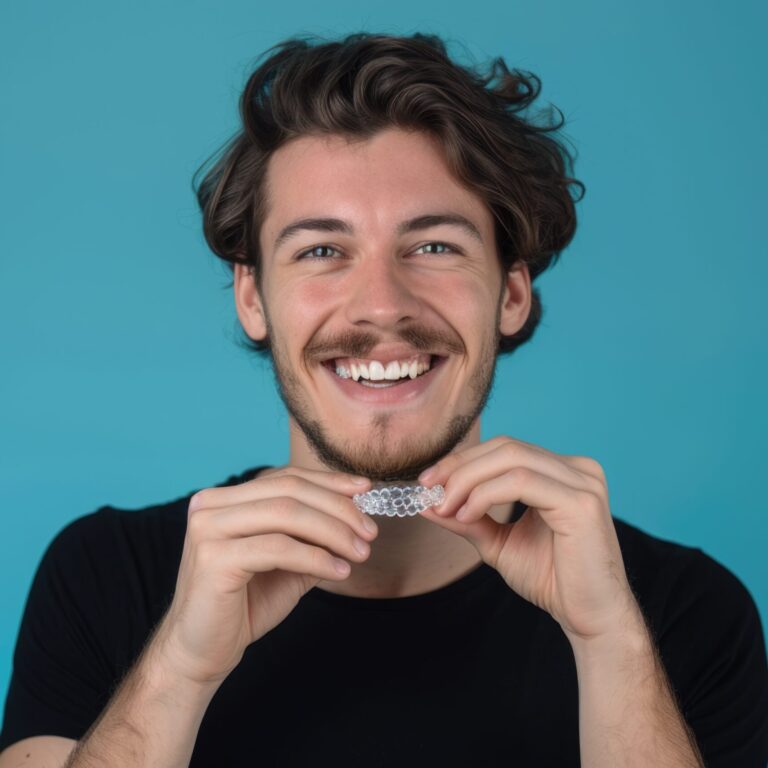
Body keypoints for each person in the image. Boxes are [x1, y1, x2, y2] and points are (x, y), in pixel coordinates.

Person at [1, 31, 766, 768]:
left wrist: (611, 644)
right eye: (321, 251)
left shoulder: (685, 609)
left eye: (433, 246)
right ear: (252, 299)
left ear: (509, 293)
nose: (379, 306)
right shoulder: (103, 577)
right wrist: (178, 670)